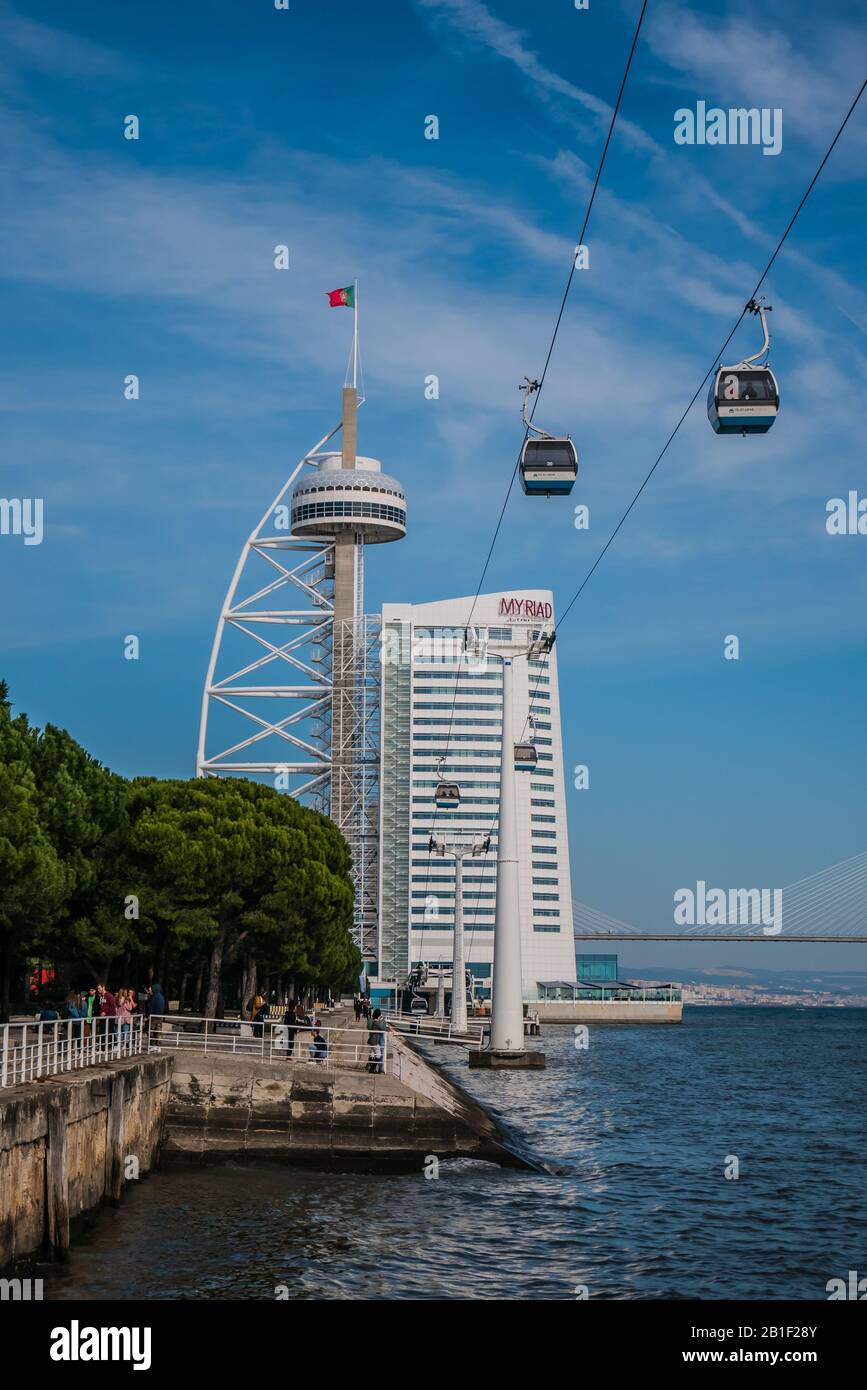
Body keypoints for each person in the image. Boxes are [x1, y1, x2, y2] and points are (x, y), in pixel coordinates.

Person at [366, 1009, 386, 1075]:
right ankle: (371, 1069)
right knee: (378, 1056)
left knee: (373, 1053)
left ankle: (370, 1066)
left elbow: (368, 1026)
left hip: (371, 1040)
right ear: (379, 1015)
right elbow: (382, 1028)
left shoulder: (371, 1020)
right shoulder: (376, 1022)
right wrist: (382, 1020)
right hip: (375, 1041)